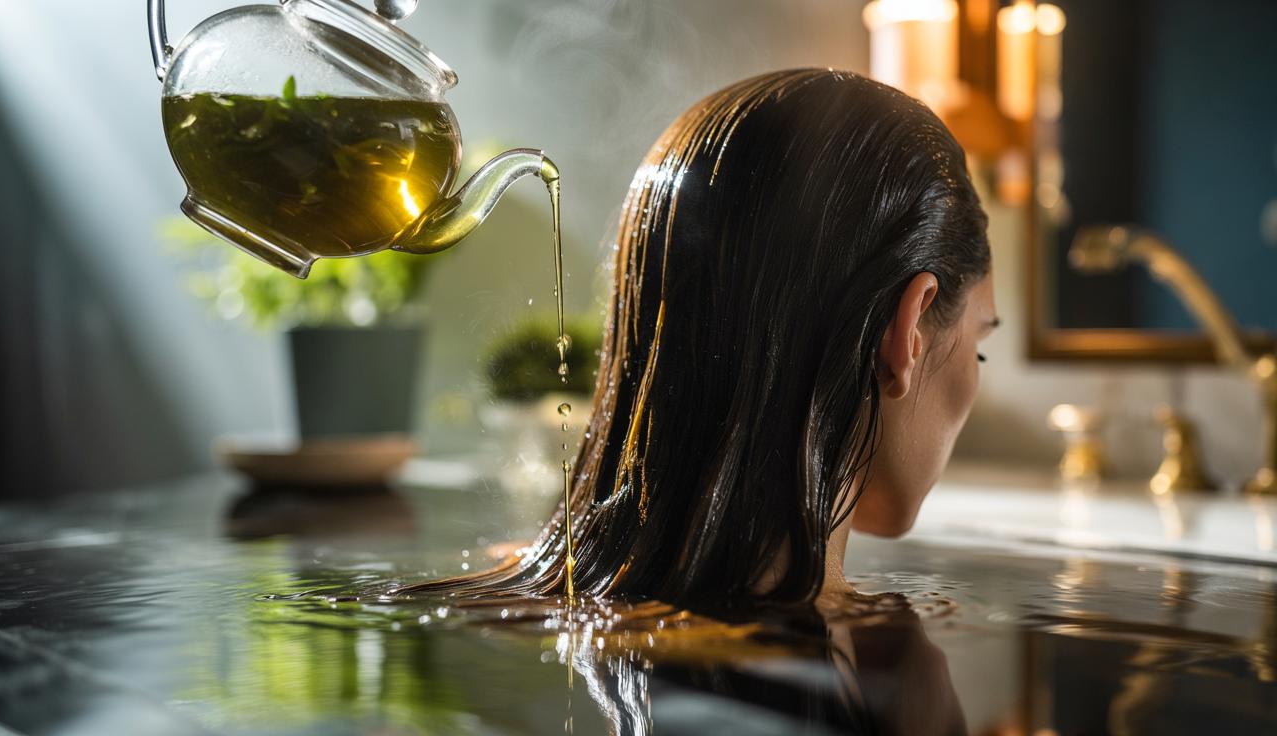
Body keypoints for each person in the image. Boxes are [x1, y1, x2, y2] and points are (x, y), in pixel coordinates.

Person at [405, 68, 996, 605]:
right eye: (980, 344)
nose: (975, 367)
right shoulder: (865, 667)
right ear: (909, 332)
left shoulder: (539, 596)